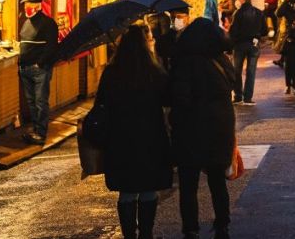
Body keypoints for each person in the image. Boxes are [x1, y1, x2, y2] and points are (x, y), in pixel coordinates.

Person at [97, 25, 173, 239]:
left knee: (127, 190)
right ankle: (146, 233)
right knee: (148, 187)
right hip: (150, 136)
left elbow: (101, 103)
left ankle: (129, 234)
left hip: (120, 137)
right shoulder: (154, 70)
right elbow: (168, 99)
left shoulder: (112, 72)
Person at [169, 17, 235, 239]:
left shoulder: (184, 64)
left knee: (188, 185)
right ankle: (222, 224)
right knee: (217, 182)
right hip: (219, 131)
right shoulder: (222, 62)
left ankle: (191, 228)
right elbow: (232, 88)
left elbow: (178, 98)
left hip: (190, 132)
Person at [18, 0, 58, 145]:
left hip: (39, 69)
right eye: (25, 7)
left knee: (41, 101)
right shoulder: (26, 22)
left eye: (29, 6)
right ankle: (35, 130)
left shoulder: (48, 23)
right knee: (31, 101)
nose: (27, 9)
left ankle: (41, 133)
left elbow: (51, 47)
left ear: (38, 6)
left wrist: (40, 63)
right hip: (25, 68)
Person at [228, 0, 266, 105]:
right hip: (254, 45)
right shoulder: (259, 13)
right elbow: (264, 30)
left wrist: (230, 46)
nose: (237, 1)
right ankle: (248, 98)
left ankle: (238, 96)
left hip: (239, 45)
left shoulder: (238, 13)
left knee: (237, 71)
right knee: (251, 71)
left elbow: (232, 31)